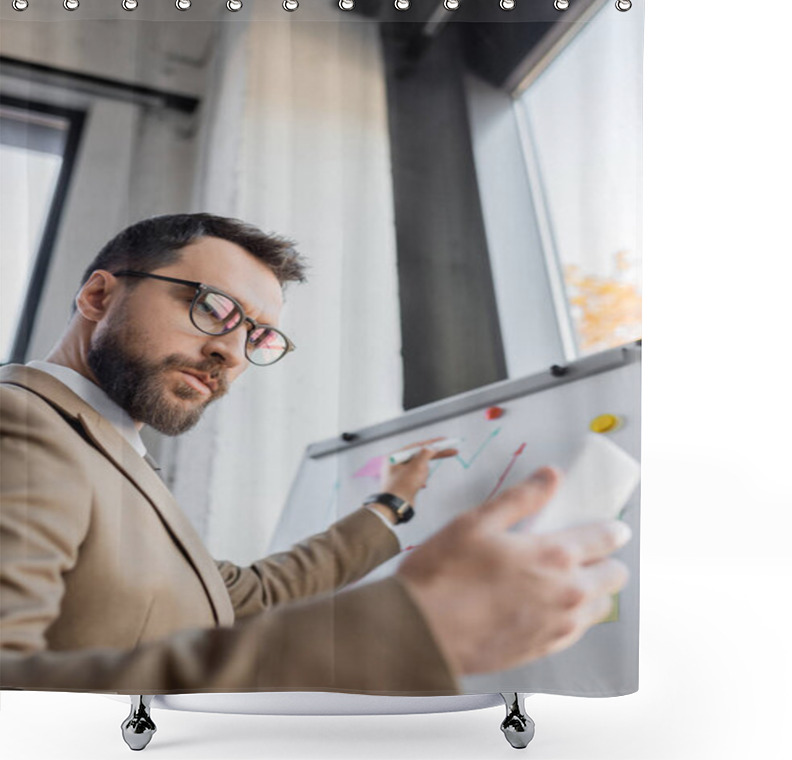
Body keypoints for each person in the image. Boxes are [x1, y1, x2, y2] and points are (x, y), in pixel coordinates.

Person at [0, 213, 631, 694]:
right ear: (97, 298)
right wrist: (408, 633)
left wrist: (391, 503)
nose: (232, 352)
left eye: (258, 335)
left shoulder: (112, 452)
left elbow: (242, 597)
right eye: (212, 308)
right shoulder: (20, 423)